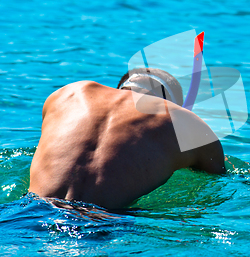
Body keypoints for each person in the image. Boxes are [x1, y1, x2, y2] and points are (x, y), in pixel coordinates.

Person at [28, 68, 226, 209]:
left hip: (28, 211)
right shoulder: (185, 122)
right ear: (171, 102)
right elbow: (218, 179)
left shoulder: (70, 93)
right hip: (101, 222)